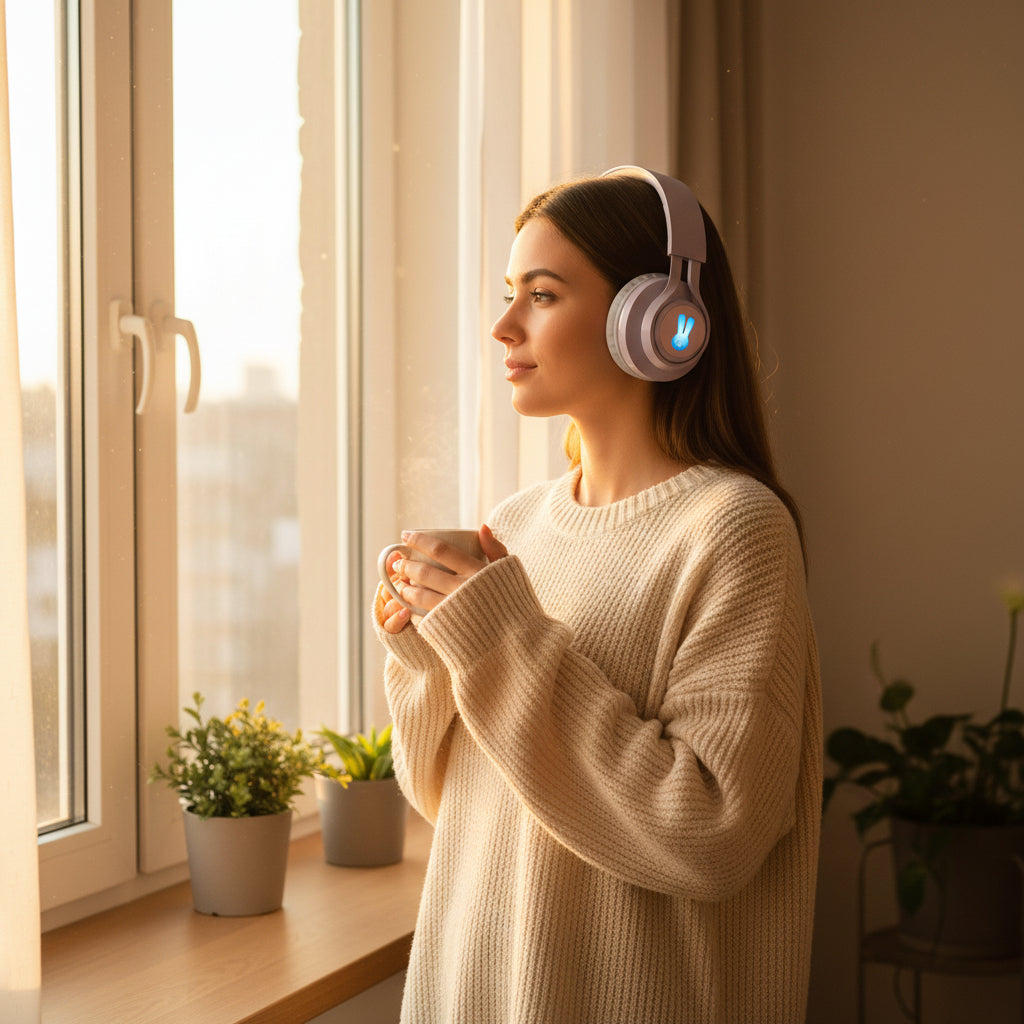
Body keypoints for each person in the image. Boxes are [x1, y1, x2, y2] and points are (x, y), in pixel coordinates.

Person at [374, 167, 822, 1024]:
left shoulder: (735, 529)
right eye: (509, 293)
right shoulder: (517, 524)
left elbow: (713, 834)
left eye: (541, 295)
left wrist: (497, 639)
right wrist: (426, 646)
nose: (503, 326)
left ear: (660, 321)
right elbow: (450, 798)